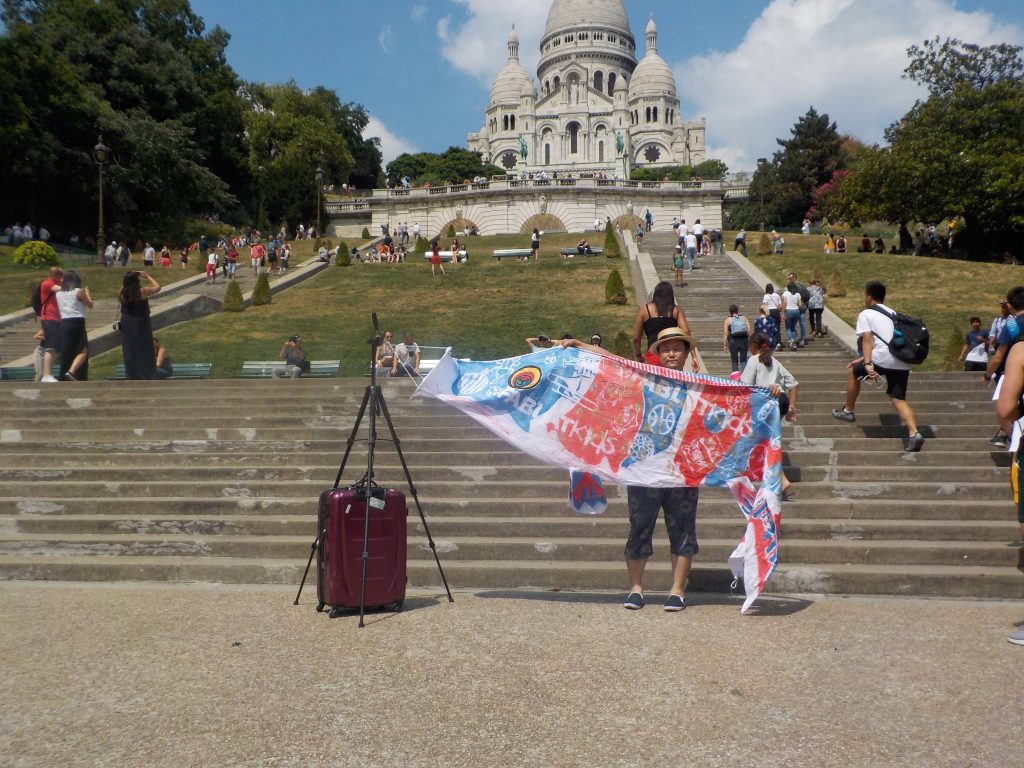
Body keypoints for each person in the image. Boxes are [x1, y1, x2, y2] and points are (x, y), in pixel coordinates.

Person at [560, 326, 700, 611]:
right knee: (639, 528)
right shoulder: (644, 378)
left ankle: (677, 591)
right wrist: (577, 343)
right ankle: (636, 588)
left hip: (681, 473)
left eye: (677, 348)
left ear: (686, 353)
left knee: (683, 531)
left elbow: (740, 397)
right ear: (657, 353)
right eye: (666, 348)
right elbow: (610, 359)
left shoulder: (701, 386)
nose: (671, 352)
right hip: (642, 469)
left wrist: (770, 392)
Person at [832, 281, 925, 452]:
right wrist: (862, 359)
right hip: (901, 360)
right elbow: (887, 340)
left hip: (881, 358)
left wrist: (867, 363)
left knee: (854, 373)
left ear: (869, 297)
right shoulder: (893, 313)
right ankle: (914, 433)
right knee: (898, 399)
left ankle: (848, 410)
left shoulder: (866, 314)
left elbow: (868, 340)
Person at [740, 331, 798, 499]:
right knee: (767, 442)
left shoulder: (753, 360)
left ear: (752, 346)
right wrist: (791, 408)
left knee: (763, 443)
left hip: (765, 403)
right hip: (781, 401)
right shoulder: (775, 361)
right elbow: (794, 384)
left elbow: (745, 387)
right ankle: (778, 479)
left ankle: (781, 479)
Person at [632, 281, 699, 372]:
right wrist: (693, 356)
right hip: (673, 354)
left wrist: (638, 355)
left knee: (656, 384)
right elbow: (686, 331)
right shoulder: (675, 310)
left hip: (654, 352)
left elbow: (636, 337)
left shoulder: (645, 310)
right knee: (674, 383)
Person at [119, 270, 161, 380]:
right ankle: (147, 373)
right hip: (141, 322)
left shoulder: (122, 292)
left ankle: (132, 374)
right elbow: (158, 287)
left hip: (127, 323)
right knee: (144, 348)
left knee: (130, 348)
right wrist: (148, 276)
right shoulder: (142, 291)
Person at [56, 270, 92, 381]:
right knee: (82, 350)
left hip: (64, 322)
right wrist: (88, 294)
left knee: (67, 350)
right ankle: (72, 371)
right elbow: (90, 304)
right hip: (77, 322)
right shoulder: (79, 291)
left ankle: (64, 373)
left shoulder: (59, 293)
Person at [37, 266, 64, 382]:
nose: (58, 276)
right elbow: (59, 289)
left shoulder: (56, 282)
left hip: (56, 318)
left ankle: (45, 373)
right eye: (57, 274)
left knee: (52, 346)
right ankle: (47, 375)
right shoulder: (47, 283)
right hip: (50, 318)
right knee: (52, 347)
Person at [723, 304, 752, 373]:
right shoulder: (744, 318)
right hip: (744, 340)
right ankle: (745, 378)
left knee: (734, 360)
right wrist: (751, 341)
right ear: (737, 310)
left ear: (730, 311)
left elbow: (725, 333)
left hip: (733, 341)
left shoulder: (728, 319)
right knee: (744, 360)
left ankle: (736, 379)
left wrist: (725, 344)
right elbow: (749, 331)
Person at [787, 272, 810, 347]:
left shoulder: (797, 286)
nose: (789, 280)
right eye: (788, 278)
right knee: (801, 324)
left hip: (798, 307)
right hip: (800, 307)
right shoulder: (800, 285)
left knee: (794, 324)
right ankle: (801, 338)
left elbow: (806, 295)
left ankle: (798, 338)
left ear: (794, 278)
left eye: (790, 278)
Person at [781, 281, 802, 351]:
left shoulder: (785, 293)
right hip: (796, 311)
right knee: (793, 328)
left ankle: (792, 340)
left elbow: (784, 304)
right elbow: (800, 305)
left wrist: (783, 313)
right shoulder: (798, 294)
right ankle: (794, 343)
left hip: (789, 311)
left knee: (788, 328)